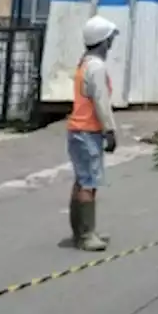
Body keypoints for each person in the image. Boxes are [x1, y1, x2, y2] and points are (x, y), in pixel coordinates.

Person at [67, 15, 120, 251]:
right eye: (109, 40)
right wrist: (110, 130)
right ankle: (87, 235)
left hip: (77, 129)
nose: (111, 44)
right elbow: (101, 102)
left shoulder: (84, 63)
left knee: (81, 180)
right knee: (89, 183)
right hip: (88, 130)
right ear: (102, 41)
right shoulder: (96, 67)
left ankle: (81, 231)